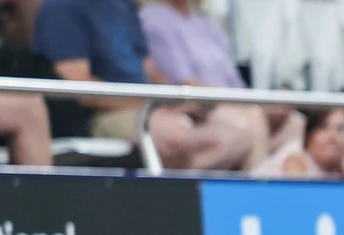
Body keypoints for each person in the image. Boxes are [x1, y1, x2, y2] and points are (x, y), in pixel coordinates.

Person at [32, 0, 252, 169]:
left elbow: (151, 71)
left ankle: (179, 192)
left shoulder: (122, 7)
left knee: (237, 136)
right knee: (177, 134)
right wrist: (151, 105)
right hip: (101, 116)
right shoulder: (62, 7)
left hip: (144, 109)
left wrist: (175, 101)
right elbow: (80, 89)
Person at [137, 0, 280, 166]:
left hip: (229, 99)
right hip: (200, 104)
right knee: (253, 118)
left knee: (293, 123)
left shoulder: (204, 23)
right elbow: (184, 82)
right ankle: (258, 180)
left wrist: (256, 101)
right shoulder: (154, 18)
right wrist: (233, 99)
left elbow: (235, 80)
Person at [262, 105, 344, 178]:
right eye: (324, 127)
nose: (332, 137)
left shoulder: (339, 163)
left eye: (340, 129)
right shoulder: (294, 159)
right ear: (309, 133)